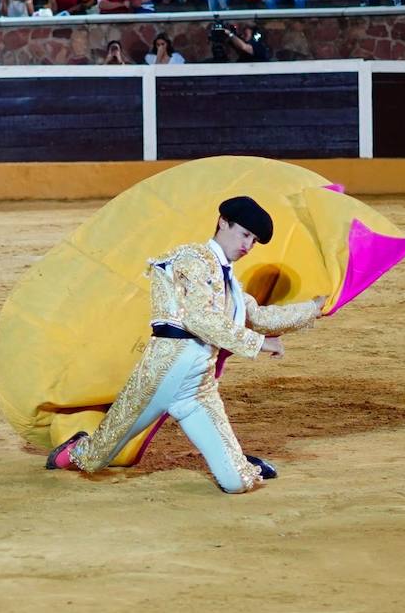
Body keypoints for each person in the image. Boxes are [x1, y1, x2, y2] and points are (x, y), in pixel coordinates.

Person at [46, 196, 325, 492]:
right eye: (245, 234)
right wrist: (259, 344)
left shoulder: (228, 281)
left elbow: (258, 317)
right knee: (94, 458)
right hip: (160, 377)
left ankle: (237, 461)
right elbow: (198, 318)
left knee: (237, 483)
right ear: (222, 223)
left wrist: (313, 308)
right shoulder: (190, 260)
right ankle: (77, 448)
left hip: (198, 386)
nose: (248, 246)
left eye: (254, 240)